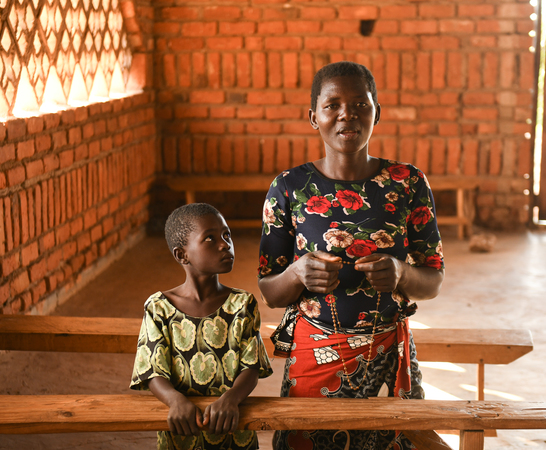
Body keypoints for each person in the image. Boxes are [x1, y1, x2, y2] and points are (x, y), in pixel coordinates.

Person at [258, 61, 445, 450]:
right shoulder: (289, 188)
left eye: (361, 104)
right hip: (315, 356)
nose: (348, 114)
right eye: (333, 105)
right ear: (314, 117)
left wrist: (401, 273)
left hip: (388, 357)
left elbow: (432, 280)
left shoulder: (407, 182)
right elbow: (271, 292)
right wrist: (296, 275)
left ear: (378, 112)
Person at [130, 203, 273, 450]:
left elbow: (251, 367)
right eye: (210, 238)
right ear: (182, 255)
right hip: (182, 430)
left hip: (232, 430)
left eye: (226, 235)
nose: (225, 244)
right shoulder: (159, 308)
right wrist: (175, 401)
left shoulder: (242, 304)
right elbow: (152, 371)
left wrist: (231, 400)